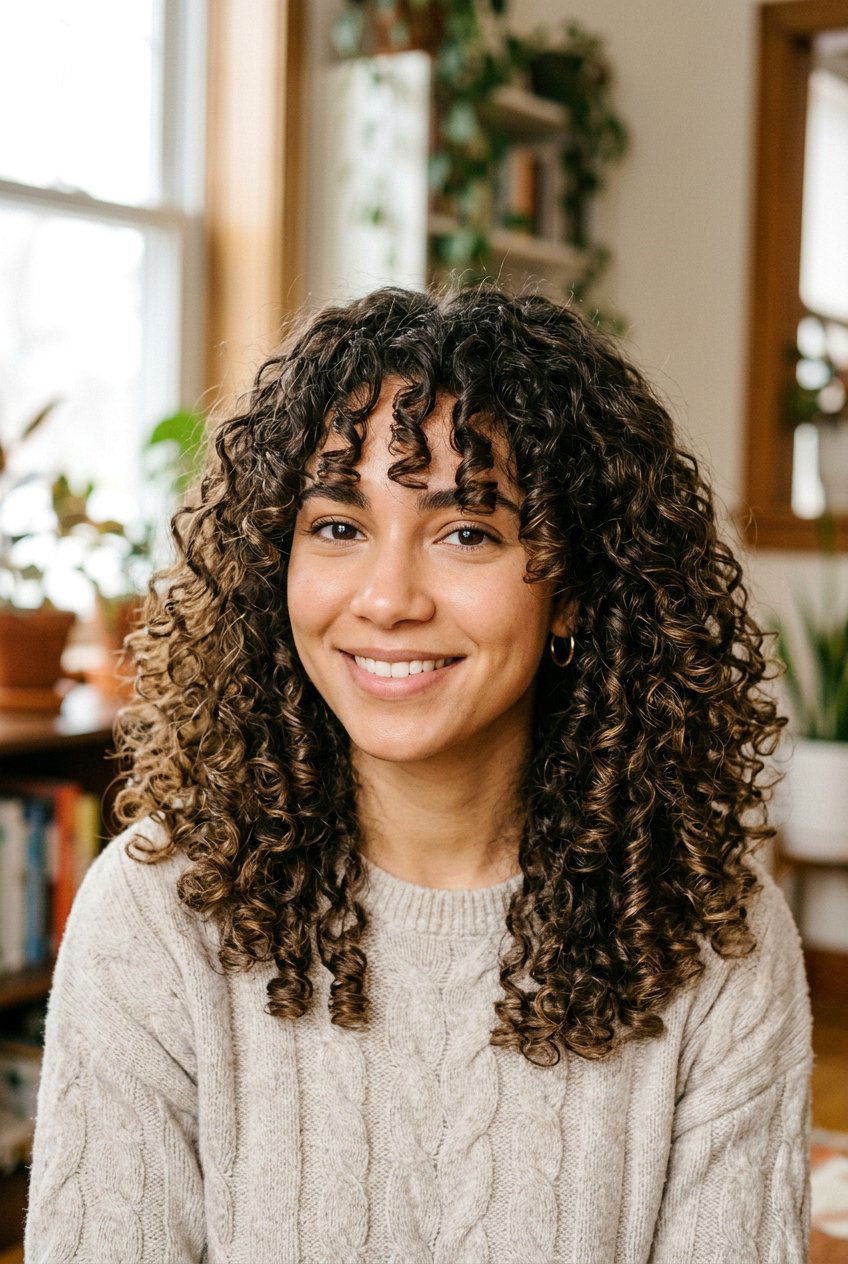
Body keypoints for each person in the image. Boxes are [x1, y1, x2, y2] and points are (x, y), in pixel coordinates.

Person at [24, 284, 812, 1263]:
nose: (387, 598)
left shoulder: (711, 932)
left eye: (466, 531)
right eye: (338, 527)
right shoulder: (157, 909)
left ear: (570, 587)